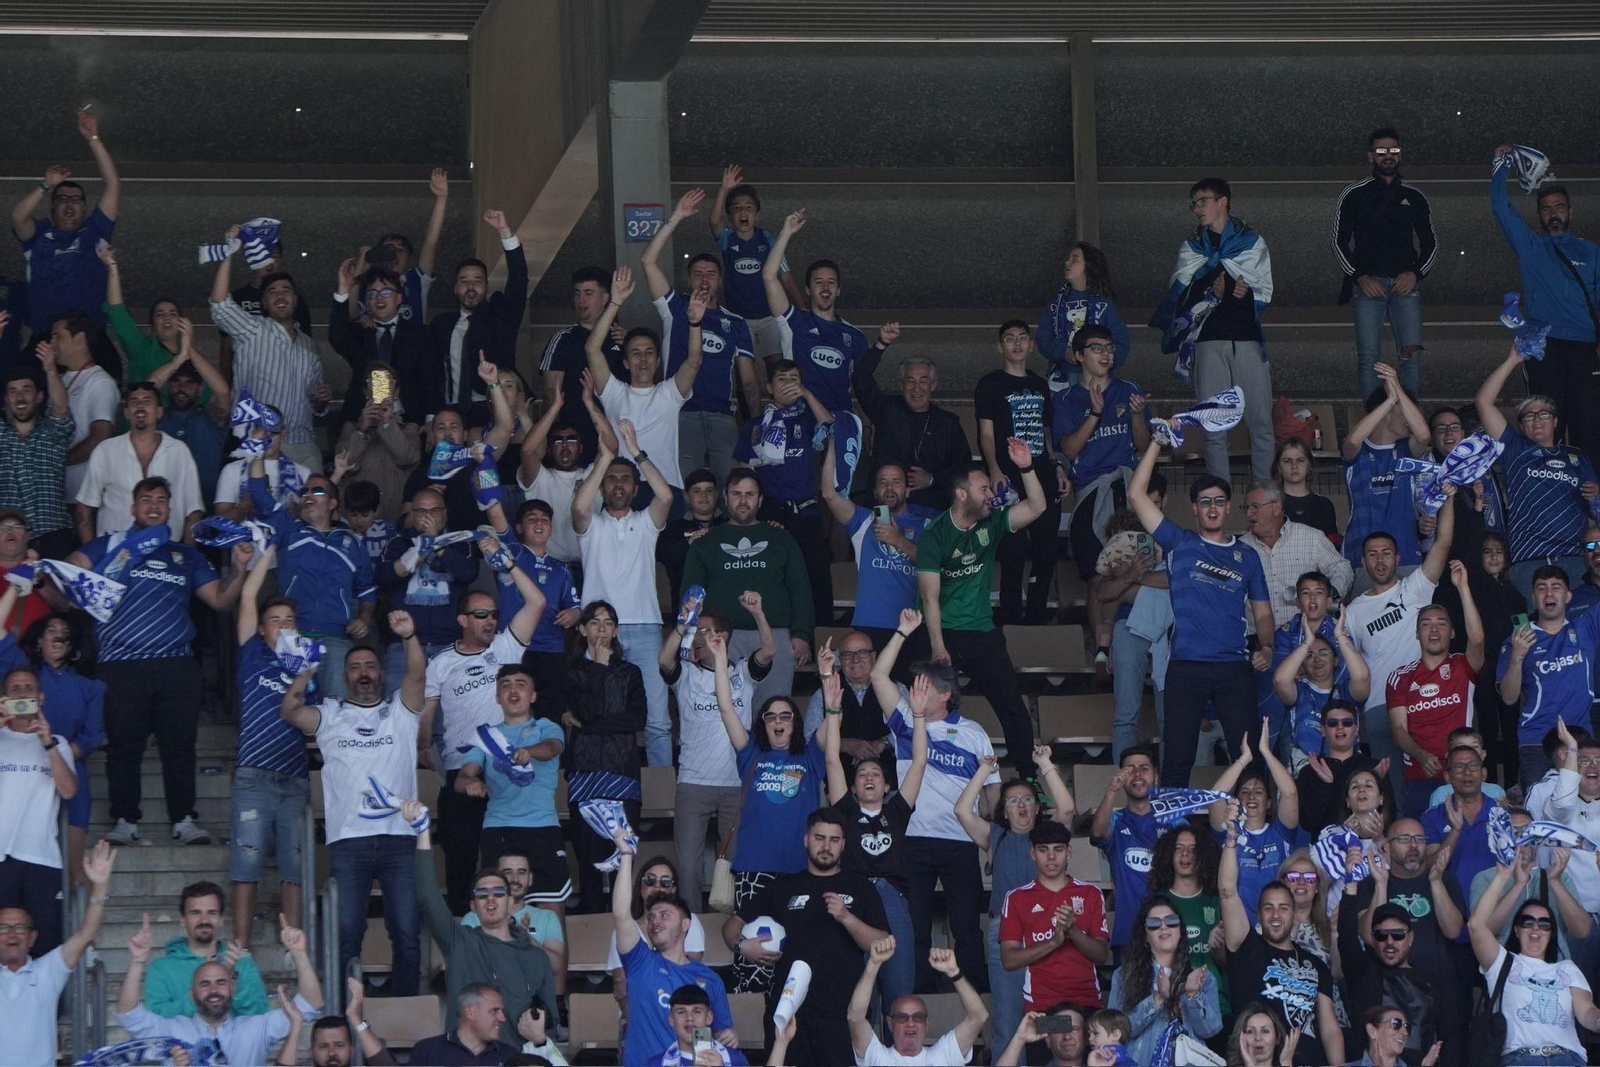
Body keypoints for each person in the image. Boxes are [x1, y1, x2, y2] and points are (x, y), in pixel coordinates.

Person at [77, 481, 250, 847]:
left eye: (161, 501)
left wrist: (240, 567)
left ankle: (184, 819)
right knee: (124, 746)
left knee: (180, 746)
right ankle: (124, 820)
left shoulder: (185, 555)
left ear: (170, 510)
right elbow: (75, 570)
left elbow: (220, 600)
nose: (153, 507)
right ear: (132, 508)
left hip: (176, 664)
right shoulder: (111, 545)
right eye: (145, 500)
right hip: (120, 664)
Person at [279, 611, 427, 994]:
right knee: (346, 934)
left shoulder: (401, 712)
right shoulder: (330, 714)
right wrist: (306, 671)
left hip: (399, 837)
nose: (363, 672)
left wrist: (409, 637)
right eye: (355, 667)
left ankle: (404, 1009)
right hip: (348, 841)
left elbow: (416, 677)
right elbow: (291, 712)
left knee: (407, 931)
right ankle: (346, 1016)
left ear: (381, 673)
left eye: (370, 666)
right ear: (345, 676)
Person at [1128, 437, 1274, 784]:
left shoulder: (1248, 556)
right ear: (1194, 507)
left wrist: (1267, 646)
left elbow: (1264, 613)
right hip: (1186, 668)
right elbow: (1136, 494)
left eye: (1219, 502)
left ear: (1227, 508)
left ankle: (1249, 834)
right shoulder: (1180, 543)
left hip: (1233, 668)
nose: (1212, 508)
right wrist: (1155, 442)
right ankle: (1171, 834)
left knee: (1249, 759)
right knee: (1177, 760)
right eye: (1205, 501)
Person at [872, 616, 1001, 994]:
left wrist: (992, 842)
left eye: (921, 687)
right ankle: (918, 998)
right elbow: (880, 677)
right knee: (914, 925)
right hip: (911, 839)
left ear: (944, 694)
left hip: (961, 842)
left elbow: (992, 792)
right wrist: (900, 633)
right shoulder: (905, 723)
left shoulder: (974, 733)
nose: (914, 692)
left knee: (965, 926)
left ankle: (976, 993)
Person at [910, 443, 1047, 782]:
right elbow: (929, 599)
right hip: (940, 632)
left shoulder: (993, 522)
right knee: (924, 703)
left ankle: (1029, 778)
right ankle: (922, 771)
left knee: (1013, 706)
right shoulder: (935, 535)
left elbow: (1037, 506)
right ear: (961, 494)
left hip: (981, 631)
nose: (991, 494)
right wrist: (938, 646)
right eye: (983, 489)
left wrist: (1027, 468)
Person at [427, 539, 548, 913]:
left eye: (494, 614)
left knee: (509, 868)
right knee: (462, 869)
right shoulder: (441, 662)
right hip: (460, 776)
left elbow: (537, 602)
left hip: (504, 773)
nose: (491, 621)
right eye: (481, 615)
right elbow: (425, 728)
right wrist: (440, 769)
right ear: (462, 620)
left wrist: (507, 563)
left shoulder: (505, 650)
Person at [708, 624, 826, 992]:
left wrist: (825, 676)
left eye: (785, 715)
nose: (777, 721)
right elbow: (726, 708)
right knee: (755, 957)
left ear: (795, 723)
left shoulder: (811, 758)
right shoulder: (752, 757)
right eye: (771, 716)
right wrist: (717, 659)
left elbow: (833, 719)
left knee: (795, 956)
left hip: (798, 871)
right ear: (763, 724)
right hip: (753, 871)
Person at [724, 806, 890, 1066]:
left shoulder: (861, 887)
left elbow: (882, 943)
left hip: (843, 1014)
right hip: (789, 1013)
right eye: (819, 838)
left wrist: (847, 917)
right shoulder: (782, 887)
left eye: (834, 840)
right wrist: (741, 945)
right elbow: (733, 923)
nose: (826, 846)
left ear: (843, 844)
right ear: (806, 840)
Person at [820, 639, 929, 1016]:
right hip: (853, 896)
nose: (869, 777)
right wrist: (832, 708)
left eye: (876, 775)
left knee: (900, 996)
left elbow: (917, 762)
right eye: (862, 774)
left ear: (886, 785)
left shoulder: (898, 810)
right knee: (857, 1000)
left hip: (893, 899)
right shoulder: (845, 811)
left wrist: (916, 717)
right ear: (853, 786)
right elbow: (833, 758)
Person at [1148, 177, 1275, 480]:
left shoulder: (1251, 241)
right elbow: (1180, 294)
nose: (1197, 209)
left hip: (1246, 340)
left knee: (1261, 425)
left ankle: (1266, 496)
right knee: (1213, 427)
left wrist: (1242, 294)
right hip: (1207, 342)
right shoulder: (1192, 246)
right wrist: (1212, 290)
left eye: (1202, 201)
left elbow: (1264, 290)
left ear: (1223, 202)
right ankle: (1220, 495)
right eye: (1193, 204)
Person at [658, 596, 774, 911]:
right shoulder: (686, 674)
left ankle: (731, 933)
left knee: (735, 867)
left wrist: (759, 615)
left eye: (703, 631)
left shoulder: (743, 674)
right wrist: (682, 625)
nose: (696, 637)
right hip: (693, 783)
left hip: (737, 784)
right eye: (695, 632)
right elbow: (664, 661)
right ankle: (691, 927)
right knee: (689, 867)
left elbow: (769, 651)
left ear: (721, 637)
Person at [957, 743, 1074, 1053]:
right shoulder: (996, 837)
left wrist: (1044, 763)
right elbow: (961, 810)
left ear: (1037, 807)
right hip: (1006, 932)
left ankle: (1046, 1057)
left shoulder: (1050, 838)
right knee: (1008, 1021)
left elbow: (1066, 809)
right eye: (1012, 801)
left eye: (1027, 800)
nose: (1021, 806)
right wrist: (984, 770)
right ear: (1004, 810)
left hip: (1050, 929)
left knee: (1059, 1018)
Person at [412, 808, 560, 1051]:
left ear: (511, 902)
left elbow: (550, 1025)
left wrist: (539, 1034)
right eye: (482, 894)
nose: (490, 899)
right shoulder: (459, 941)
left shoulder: (536, 957)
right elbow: (427, 896)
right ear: (473, 906)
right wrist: (422, 831)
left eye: (499, 893)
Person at [1344, 482, 1456, 803]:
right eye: (1372, 555)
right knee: (1390, 792)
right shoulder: (1353, 612)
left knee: (1435, 787)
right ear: (1363, 562)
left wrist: (1449, 497)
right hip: (1379, 708)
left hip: (1426, 702)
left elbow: (1444, 542)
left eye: (1386, 553)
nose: (1380, 560)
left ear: (1398, 558)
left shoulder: (1415, 589)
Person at [1490, 145, 1600, 464]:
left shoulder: (1592, 252)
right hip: (1545, 347)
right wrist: (1501, 165)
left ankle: (1590, 499)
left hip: (1585, 348)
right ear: (1539, 214)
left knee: (1588, 425)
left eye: (1559, 207)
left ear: (1571, 212)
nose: (1553, 213)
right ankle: (1544, 489)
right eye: (1547, 208)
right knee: (1546, 423)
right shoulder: (1532, 248)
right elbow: (1500, 207)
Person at [573, 419, 674, 765]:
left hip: (645, 629)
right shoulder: (592, 525)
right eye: (611, 480)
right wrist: (606, 459)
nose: (618, 485)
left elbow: (667, 496)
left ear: (635, 487)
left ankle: (661, 795)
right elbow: (577, 508)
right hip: (598, 631)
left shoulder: (646, 523)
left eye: (625, 479)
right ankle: (600, 784)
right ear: (602, 487)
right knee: (597, 713)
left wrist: (636, 453)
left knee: (658, 722)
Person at [641, 188, 758, 483]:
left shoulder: (736, 323)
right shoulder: (675, 307)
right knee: (683, 490)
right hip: (681, 415)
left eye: (711, 275)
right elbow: (647, 262)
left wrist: (756, 422)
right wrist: (677, 216)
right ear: (688, 279)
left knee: (728, 494)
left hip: (723, 418)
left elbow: (748, 380)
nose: (704, 281)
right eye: (697, 275)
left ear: (720, 281)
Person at [1056, 323, 1152, 671]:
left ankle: (1135, 645)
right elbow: (1068, 448)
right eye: (1097, 347)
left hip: (1128, 491)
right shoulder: (1066, 399)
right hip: (1089, 493)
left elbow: (1143, 446)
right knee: (1096, 574)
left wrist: (1139, 415)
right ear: (1079, 355)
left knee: (1134, 570)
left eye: (1109, 347)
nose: (1105, 354)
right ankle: (1101, 651)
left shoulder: (1128, 389)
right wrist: (1095, 413)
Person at [227, 546, 308, 949]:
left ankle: (294, 948)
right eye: (273, 620)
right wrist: (268, 552)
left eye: (289, 620)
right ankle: (239, 948)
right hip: (254, 775)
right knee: (246, 862)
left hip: (295, 777)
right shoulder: (253, 655)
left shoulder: (310, 667)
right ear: (262, 629)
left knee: (295, 867)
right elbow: (246, 598)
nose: (282, 625)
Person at [682, 466, 814, 711]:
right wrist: (691, 638)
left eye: (750, 494)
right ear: (725, 498)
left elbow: (800, 589)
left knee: (774, 709)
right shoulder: (706, 542)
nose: (743, 501)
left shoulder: (781, 539)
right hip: (720, 639)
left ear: (760, 499)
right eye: (736, 494)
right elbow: (691, 595)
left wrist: (801, 635)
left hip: (775, 636)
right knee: (724, 711)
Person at [116, 913, 324, 1067]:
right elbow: (129, 1015)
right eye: (204, 984)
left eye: (221, 982)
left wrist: (299, 954)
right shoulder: (173, 1030)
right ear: (192, 994)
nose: (214, 989)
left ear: (233, 989)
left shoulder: (256, 1028)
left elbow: (311, 1004)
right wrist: (137, 961)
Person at [247, 451, 374, 701]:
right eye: (304, 492)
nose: (307, 496)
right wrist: (258, 453)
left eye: (315, 492)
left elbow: (367, 589)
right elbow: (260, 497)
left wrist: (365, 617)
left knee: (336, 715)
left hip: (337, 639)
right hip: (293, 636)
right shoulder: (289, 530)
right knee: (290, 713)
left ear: (333, 504)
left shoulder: (353, 542)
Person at [1474, 342, 1598, 599]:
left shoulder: (1576, 456)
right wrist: (1513, 359)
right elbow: (1483, 402)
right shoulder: (1515, 449)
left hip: (1574, 559)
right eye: (1529, 416)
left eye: (1544, 414)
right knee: (1533, 636)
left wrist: (1595, 494)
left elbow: (1595, 508)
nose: (1537, 419)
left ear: (1555, 421)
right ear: (1521, 427)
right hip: (1528, 559)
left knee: (1579, 635)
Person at [1220, 819, 1344, 1066]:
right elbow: (1227, 890)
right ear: (1259, 913)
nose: (1276, 915)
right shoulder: (1246, 946)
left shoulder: (1314, 964)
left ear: (1293, 912)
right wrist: (1231, 839)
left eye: (1283, 908)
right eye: (1269, 908)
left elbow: (1330, 1028)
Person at [454, 649, 566, 920]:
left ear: (533, 695)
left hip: (543, 827)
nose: (513, 691)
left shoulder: (545, 726)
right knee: (496, 914)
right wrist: (470, 783)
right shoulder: (486, 737)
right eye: (506, 686)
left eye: (521, 685)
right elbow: (462, 777)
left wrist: (529, 752)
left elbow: (553, 748)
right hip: (499, 829)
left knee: (551, 916)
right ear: (497, 697)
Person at [208, 229, 328, 471]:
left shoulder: (310, 345)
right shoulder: (252, 329)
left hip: (303, 447)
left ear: (296, 299)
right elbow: (220, 305)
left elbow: (316, 402)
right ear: (263, 303)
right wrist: (229, 252)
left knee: (313, 507)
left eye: (286, 290)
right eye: (272, 292)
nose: (279, 295)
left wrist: (321, 400)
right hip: (259, 443)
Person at [611, 832, 734, 1067]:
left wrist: (729, 1035)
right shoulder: (640, 961)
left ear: (686, 924)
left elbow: (717, 1034)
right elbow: (620, 914)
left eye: (665, 915)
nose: (655, 921)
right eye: (652, 917)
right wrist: (626, 854)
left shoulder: (710, 979)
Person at [587, 265, 705, 508]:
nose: (643, 359)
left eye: (649, 353)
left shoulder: (669, 393)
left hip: (665, 487)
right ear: (626, 362)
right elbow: (592, 349)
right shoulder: (613, 392)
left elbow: (694, 361)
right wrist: (615, 303)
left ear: (658, 360)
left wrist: (695, 324)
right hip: (621, 490)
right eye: (636, 353)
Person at [1333, 128, 1439, 398]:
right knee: (1369, 358)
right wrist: (1360, 277)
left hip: (1406, 286)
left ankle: (1410, 423)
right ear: (1371, 156)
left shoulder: (1414, 196)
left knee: (1411, 356)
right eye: (1381, 151)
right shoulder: (1354, 194)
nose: (1388, 156)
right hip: (1369, 286)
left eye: (1394, 150)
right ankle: (1374, 425)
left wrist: (1416, 274)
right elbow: (1338, 242)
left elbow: (1431, 243)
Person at [979, 320, 1070, 624]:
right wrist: (993, 469)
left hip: (1041, 474)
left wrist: (1056, 465)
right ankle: (1009, 621)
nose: (1016, 344)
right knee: (1013, 553)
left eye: (1022, 338)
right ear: (999, 346)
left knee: (1046, 552)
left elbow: (1045, 434)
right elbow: (987, 434)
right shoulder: (990, 383)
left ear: (1031, 345)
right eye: (1009, 339)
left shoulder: (1040, 384)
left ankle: (1037, 619)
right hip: (1008, 478)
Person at [732, 359, 833, 628]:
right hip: (771, 510)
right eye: (782, 379)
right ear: (769, 386)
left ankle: (819, 642)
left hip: (807, 508)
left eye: (794, 379)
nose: (788, 384)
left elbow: (831, 426)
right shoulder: (755, 424)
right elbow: (742, 472)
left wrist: (807, 394)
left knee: (816, 575)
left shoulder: (810, 417)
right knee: (773, 575)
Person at [1468, 861, 1600, 1067]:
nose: (1535, 929)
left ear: (1551, 933)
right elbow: (1476, 925)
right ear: (1516, 930)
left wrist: (1598, 1020)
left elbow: (1586, 1012)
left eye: (1544, 924)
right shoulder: (1501, 962)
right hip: (1519, 1059)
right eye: (1527, 922)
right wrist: (1504, 876)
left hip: (1568, 1059)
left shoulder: (1566, 968)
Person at [564, 599, 646, 913]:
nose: (602, 628)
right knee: (589, 864)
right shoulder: (572, 672)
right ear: (582, 629)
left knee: (624, 857)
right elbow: (584, 708)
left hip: (622, 775)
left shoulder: (630, 672)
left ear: (616, 630)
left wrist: (587, 725)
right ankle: (592, 939)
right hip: (584, 776)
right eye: (595, 622)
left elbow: (635, 720)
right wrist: (597, 667)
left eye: (609, 622)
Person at [0, 840, 113, 1067]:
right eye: (3, 928)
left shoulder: (47, 972)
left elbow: (86, 935)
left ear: (32, 938)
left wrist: (100, 886)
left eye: (20, 928)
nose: (12, 934)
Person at [1387, 564, 1485, 815]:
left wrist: (1462, 588)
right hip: (1420, 774)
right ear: (1417, 634)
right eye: (1426, 624)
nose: (1433, 629)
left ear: (1452, 633)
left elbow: (1477, 640)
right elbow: (1398, 729)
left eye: (1441, 624)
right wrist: (1420, 755)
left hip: (1463, 773)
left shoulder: (1462, 666)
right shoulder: (1400, 677)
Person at [11, 109, 120, 333]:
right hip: (45, 338)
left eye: (76, 200)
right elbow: (18, 218)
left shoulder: (95, 230)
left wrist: (93, 139)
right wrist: (44, 186)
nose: (69, 204)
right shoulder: (38, 235)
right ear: (52, 206)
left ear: (84, 207)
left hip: (90, 337)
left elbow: (113, 184)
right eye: (62, 199)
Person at [16, 607, 102, 884]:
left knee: (76, 866)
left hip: (70, 767)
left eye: (65, 633)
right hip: (22, 767)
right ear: (39, 641)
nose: (59, 636)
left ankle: (83, 924)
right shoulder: (23, 681)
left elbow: (92, 736)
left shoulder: (90, 687)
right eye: (52, 630)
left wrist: (59, 756)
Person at [0, 660, 77, 955]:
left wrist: (47, 744)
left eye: (28, 689)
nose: (22, 694)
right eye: (15, 689)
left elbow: (69, 790)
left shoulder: (57, 743)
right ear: (4, 698)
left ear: (41, 698)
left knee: (46, 944)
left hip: (42, 857)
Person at [762, 209, 873, 412]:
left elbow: (864, 388)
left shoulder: (855, 336)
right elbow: (769, 277)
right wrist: (787, 231)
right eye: (818, 282)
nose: (825, 287)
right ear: (807, 289)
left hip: (838, 423)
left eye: (831, 282)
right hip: (798, 420)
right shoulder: (794, 322)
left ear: (838, 290)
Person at [1498, 568, 1600, 789]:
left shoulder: (1585, 628)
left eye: (1556, 587)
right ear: (1533, 597)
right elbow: (1508, 697)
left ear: (1568, 596)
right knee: (1539, 816)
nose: (1549, 594)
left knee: (1587, 809)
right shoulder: (1517, 640)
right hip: (1537, 741)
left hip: (1581, 739)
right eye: (1541, 588)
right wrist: (1517, 656)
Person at [426, 210, 527, 423]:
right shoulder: (440, 325)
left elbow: (519, 280)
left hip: (492, 409)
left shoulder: (501, 316)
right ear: (455, 288)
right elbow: (430, 373)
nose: (471, 286)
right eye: (464, 281)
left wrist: (504, 231)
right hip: (450, 415)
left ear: (487, 287)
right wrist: (430, 418)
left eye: (478, 280)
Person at [999, 820, 1110, 1013]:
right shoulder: (1017, 898)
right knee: (1051, 1044)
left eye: (1058, 849)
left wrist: (1073, 931)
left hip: (1087, 1001)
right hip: (1041, 1005)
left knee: (1086, 1042)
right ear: (1033, 854)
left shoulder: (1091, 893)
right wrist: (1054, 942)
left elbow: (1101, 956)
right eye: (1043, 850)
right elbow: (1009, 960)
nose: (1051, 857)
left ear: (1069, 852)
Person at [1336, 897, 1458, 1067]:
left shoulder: (1434, 982)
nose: (1390, 942)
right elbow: (1346, 937)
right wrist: (1350, 886)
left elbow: (1450, 1039)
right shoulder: (1364, 975)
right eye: (1381, 935)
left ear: (1410, 938)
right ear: (1372, 939)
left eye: (1398, 935)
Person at [75, 381, 204, 541]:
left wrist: (185, 558)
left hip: (166, 553)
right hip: (114, 553)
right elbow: (85, 506)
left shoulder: (179, 451)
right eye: (134, 401)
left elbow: (193, 512)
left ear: (159, 412)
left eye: (147, 401)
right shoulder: (105, 450)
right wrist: (91, 555)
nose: (140, 406)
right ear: (126, 412)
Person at [1105, 894, 1223, 1065]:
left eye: (1171, 921)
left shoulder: (1201, 977)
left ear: (1180, 930)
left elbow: (1210, 1029)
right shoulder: (1123, 975)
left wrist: (1193, 995)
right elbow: (1114, 1030)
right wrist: (1157, 998)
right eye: (1154, 923)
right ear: (1145, 936)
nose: (1163, 927)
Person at [1348, 817, 1466, 986]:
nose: (1413, 845)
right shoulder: (1371, 883)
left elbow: (1453, 931)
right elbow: (1368, 936)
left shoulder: (1446, 880)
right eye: (1404, 839)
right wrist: (1381, 885)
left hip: (1438, 988)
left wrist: (1435, 882)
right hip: (1387, 989)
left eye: (1420, 839)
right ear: (1387, 847)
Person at [851, 349, 969, 513]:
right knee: (881, 537)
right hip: (885, 510)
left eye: (923, 381)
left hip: (931, 510)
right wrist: (881, 345)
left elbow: (964, 468)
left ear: (933, 385)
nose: (916, 388)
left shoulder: (948, 423)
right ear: (902, 384)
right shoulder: (886, 410)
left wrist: (932, 479)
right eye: (910, 381)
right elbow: (860, 378)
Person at [707, 166, 804, 365]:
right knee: (743, 370)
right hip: (738, 317)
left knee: (777, 366)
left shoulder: (767, 238)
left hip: (770, 314)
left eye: (748, 207)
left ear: (757, 214)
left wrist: (803, 311)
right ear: (730, 216)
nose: (743, 212)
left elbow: (785, 275)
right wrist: (724, 189)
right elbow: (714, 220)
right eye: (736, 208)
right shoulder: (727, 239)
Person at [491, 496, 581, 712]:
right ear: (520, 527)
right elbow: (495, 515)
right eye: (532, 519)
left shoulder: (562, 569)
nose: (539, 523)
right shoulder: (514, 552)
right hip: (515, 648)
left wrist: (574, 614)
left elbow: (575, 606)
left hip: (551, 649)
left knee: (550, 714)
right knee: (510, 713)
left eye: (545, 519)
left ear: (551, 528)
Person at [1210, 721, 1304, 923]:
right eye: (1244, 792)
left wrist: (1266, 752)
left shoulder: (1281, 832)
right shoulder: (1228, 831)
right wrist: (1244, 759)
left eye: (1259, 792)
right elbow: (1215, 797)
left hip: (1278, 924)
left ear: (1269, 803)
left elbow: (1290, 792)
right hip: (1238, 927)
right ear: (1236, 800)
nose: (1251, 796)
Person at [1343, 364, 1431, 577]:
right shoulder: (1357, 452)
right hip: (1361, 557)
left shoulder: (1406, 451)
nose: (1410, 420)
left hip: (1406, 554)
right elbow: (1353, 440)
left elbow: (1424, 436)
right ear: (1384, 415)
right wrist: (1391, 399)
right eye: (1405, 411)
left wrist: (1397, 390)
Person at [330, 260, 437, 432]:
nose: (378, 298)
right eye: (372, 294)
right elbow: (337, 337)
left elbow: (430, 379)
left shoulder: (420, 334)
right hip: (364, 420)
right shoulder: (360, 332)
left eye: (386, 292)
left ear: (399, 298)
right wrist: (343, 289)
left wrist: (431, 419)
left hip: (407, 422)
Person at [848, 938, 989, 1066]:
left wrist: (954, 972)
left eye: (918, 1017)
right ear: (890, 1023)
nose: (911, 1023)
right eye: (902, 1017)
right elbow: (855, 1017)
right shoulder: (878, 1057)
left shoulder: (943, 1056)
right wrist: (873, 964)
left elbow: (979, 1016)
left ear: (927, 1023)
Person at [607, 854, 708, 1029]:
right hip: (637, 1020)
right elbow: (621, 986)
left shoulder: (689, 921)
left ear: (674, 889)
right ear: (640, 887)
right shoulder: (625, 931)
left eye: (665, 882)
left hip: (684, 1020)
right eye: (650, 880)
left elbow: (686, 975)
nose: (657, 887)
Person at [143, 881, 269, 1018]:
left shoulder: (243, 963)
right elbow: (155, 1019)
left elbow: (259, 1015)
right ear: (183, 919)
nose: (204, 920)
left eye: (212, 913)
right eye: (196, 913)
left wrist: (231, 979)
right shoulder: (161, 968)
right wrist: (198, 993)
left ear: (221, 919)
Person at [538, 266, 624, 465]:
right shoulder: (562, 339)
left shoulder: (620, 338)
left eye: (588, 293)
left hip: (619, 434)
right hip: (575, 439)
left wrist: (629, 344)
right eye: (577, 293)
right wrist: (555, 440)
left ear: (605, 298)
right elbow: (551, 391)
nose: (581, 300)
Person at [1242, 480, 1354, 626]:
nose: (1249, 513)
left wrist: (1330, 593)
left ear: (1276, 508)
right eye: (1246, 507)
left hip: (1306, 637)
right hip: (1256, 641)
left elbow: (1342, 568)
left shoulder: (1311, 538)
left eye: (1255, 507)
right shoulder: (1241, 548)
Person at [1147, 823, 1229, 1017]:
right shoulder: (1156, 905)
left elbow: (1229, 964)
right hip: (1169, 1002)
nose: (1185, 854)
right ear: (1168, 854)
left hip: (1215, 1003)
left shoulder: (1217, 902)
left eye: (1193, 849)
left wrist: (1217, 948)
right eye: (1178, 848)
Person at [1272, 615, 1371, 774]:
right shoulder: (1300, 690)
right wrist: (1306, 643)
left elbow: (1363, 677)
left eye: (1324, 653)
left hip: (1347, 764)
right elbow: (1280, 680)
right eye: (1309, 656)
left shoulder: (1346, 691)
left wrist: (1339, 634)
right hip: (1305, 767)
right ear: (1302, 665)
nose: (1317, 659)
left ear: (1336, 661)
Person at [0, 351, 74, 559]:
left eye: (27, 389)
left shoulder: (52, 433)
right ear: (6, 399)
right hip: (7, 538)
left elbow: (60, 409)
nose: (20, 396)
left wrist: (50, 369)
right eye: (13, 391)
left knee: (53, 592)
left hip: (53, 534)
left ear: (40, 396)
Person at [1090, 745, 1165, 950]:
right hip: (1128, 934)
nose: (1137, 774)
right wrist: (1111, 791)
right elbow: (1097, 833)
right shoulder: (1115, 821)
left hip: (1168, 932)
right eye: (1130, 769)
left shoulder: (1176, 824)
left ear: (1156, 777)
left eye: (1144, 768)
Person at [332, 364, 423, 524]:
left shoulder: (409, 428)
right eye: (373, 383)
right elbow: (344, 463)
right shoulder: (351, 428)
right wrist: (362, 429)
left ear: (396, 391)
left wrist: (387, 423)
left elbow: (408, 458)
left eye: (387, 383)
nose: (380, 388)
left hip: (395, 516)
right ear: (366, 391)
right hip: (360, 517)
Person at [43, 312, 117, 505]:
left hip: (86, 498)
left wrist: (56, 462)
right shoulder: (57, 379)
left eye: (58, 336)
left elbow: (101, 437)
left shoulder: (100, 382)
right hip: (59, 496)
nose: (52, 343)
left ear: (79, 338)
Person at [465, 850, 569, 984]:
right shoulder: (473, 917)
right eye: (507, 872)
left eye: (521, 872)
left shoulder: (547, 917)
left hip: (533, 998)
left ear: (530, 879)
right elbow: (464, 965)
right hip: (486, 996)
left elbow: (555, 967)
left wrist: (526, 939)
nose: (514, 879)